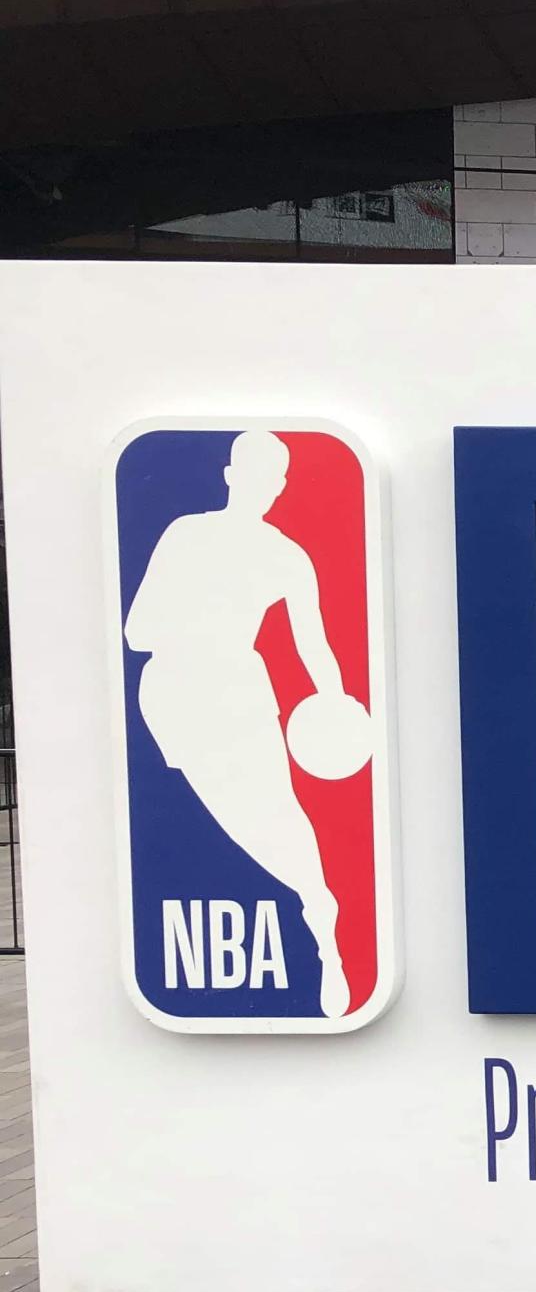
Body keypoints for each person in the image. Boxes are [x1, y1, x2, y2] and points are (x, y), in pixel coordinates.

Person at [124, 430, 362, 1018]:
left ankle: (322, 920)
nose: (263, 486)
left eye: (272, 477)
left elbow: (316, 647)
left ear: (280, 487)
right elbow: (136, 631)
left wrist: (335, 704)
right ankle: (314, 904)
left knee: (278, 812)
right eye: (253, 472)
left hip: (238, 692)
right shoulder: (186, 534)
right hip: (174, 696)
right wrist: (195, 625)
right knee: (222, 818)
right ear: (231, 475)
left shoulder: (287, 556)